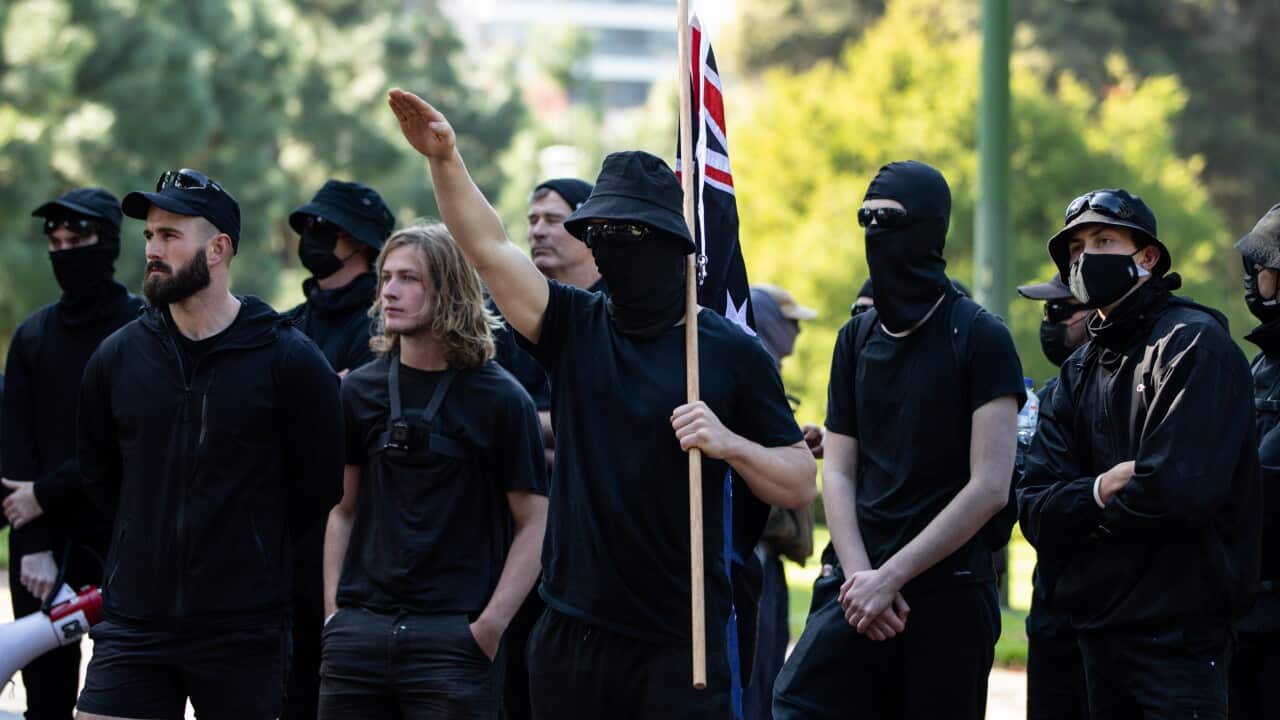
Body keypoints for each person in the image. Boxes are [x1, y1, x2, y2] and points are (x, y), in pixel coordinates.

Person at [387, 88, 815, 719]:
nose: (616, 248)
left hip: (681, 643)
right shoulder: (575, 324)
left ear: (674, 245)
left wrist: (728, 443)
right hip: (572, 634)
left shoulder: (726, 351)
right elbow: (490, 248)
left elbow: (800, 481)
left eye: (633, 234)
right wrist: (445, 158)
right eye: (602, 233)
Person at [74, 169, 345, 720]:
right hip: (134, 624)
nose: (153, 249)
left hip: (242, 630)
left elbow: (317, 488)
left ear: (218, 248)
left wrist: (247, 552)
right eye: (150, 235)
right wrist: (140, 546)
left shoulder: (289, 360)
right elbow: (99, 475)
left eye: (171, 235)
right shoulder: (118, 357)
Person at [774, 161, 1023, 720]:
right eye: (866, 218)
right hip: (860, 589)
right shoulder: (855, 337)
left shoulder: (981, 336)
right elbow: (837, 471)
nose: (875, 232)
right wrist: (864, 579)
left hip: (948, 594)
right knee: (795, 704)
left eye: (890, 219)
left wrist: (892, 578)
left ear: (930, 228)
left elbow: (990, 486)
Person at [1018, 188, 1260, 719]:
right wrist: (1101, 490)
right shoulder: (1078, 371)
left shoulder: (1193, 346)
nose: (1086, 258)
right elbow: (1034, 506)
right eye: (1077, 248)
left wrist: (1080, 514)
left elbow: (1177, 495)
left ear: (1147, 257)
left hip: (1181, 644)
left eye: (1104, 240)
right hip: (1097, 639)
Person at [319, 224, 548, 719]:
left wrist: (489, 627)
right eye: (386, 277)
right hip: (358, 634)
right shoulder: (358, 390)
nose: (390, 291)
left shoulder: (502, 399)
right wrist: (334, 617)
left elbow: (536, 523)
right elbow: (342, 511)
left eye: (410, 278)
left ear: (448, 288)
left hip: (454, 639)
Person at [1, 188, 144, 720]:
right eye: (54, 242)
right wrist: (32, 541)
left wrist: (46, 491)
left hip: (123, 541)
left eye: (77, 239)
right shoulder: (34, 333)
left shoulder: (142, 328)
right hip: (41, 549)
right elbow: (16, 446)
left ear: (107, 243)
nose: (64, 252)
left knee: (126, 696)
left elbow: (129, 440)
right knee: (48, 699)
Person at [283, 179, 395, 720]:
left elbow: (355, 419)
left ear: (361, 242)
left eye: (325, 228)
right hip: (284, 549)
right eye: (306, 226)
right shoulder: (289, 323)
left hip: (358, 551)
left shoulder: (384, 327)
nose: (311, 236)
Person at [491, 177, 600, 720]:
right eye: (531, 219)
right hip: (504, 536)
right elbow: (483, 415)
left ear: (588, 228)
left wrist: (521, 432)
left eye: (553, 220)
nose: (536, 230)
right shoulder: (500, 316)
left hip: (590, 543)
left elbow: (610, 422)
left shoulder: (612, 313)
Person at [1014, 273, 1091, 720]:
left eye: (1061, 310)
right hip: (1051, 604)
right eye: (1046, 311)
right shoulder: (1049, 396)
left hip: (1105, 609)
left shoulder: (1129, 388)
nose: (1050, 322)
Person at [742, 283, 821, 720]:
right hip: (751, 556)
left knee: (770, 677)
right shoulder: (747, 374)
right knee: (753, 684)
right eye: (789, 322)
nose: (795, 333)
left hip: (771, 562)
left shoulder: (767, 374)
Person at [1231, 202, 1280, 719]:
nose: (1254, 279)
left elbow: (1257, 480)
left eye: (1263, 267)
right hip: (1249, 608)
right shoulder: (1263, 361)